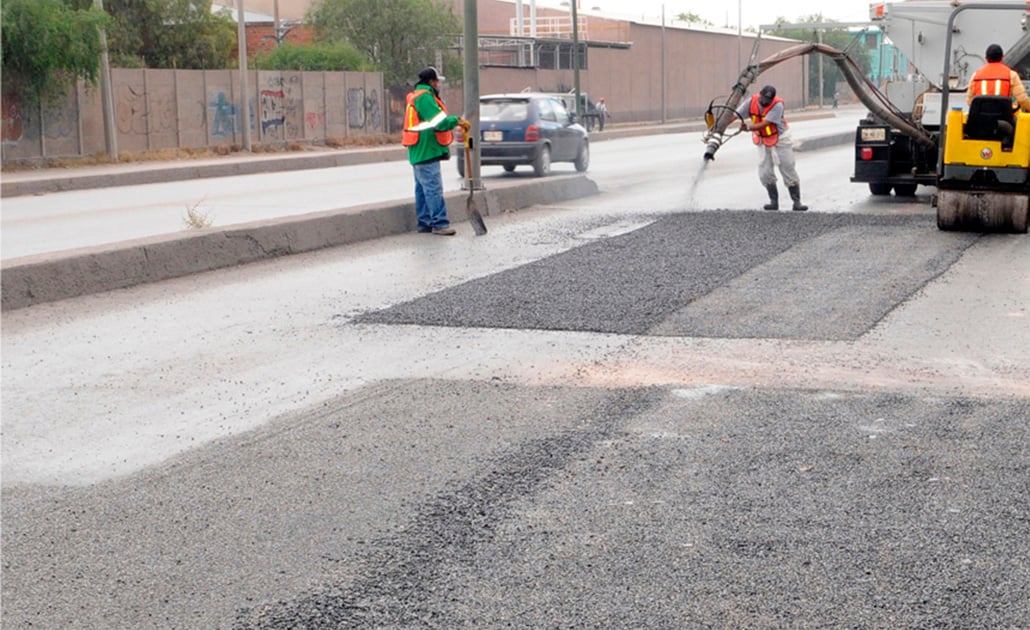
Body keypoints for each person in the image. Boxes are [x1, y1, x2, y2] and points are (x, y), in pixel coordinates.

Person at [402, 66, 468, 235]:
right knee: (432, 188)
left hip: (419, 150)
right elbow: (440, 122)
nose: (438, 84)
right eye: (437, 81)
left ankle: (424, 223)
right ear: (431, 82)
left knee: (422, 189)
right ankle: (440, 223)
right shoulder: (425, 98)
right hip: (427, 149)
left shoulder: (417, 96)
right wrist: (457, 120)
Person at [736, 85, 807, 211]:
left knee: (787, 167)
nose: (765, 102)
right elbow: (735, 115)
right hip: (763, 139)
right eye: (763, 99)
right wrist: (721, 126)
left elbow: (765, 123)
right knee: (765, 172)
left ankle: (797, 202)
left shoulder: (777, 105)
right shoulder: (751, 102)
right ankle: (773, 201)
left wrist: (748, 128)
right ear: (760, 95)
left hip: (781, 138)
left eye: (768, 100)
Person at [966, 43, 1030, 112]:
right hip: (1004, 119)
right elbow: (1022, 99)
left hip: (980, 119)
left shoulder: (975, 75)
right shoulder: (1011, 75)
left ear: (986, 58)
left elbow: (969, 101)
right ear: (1002, 57)